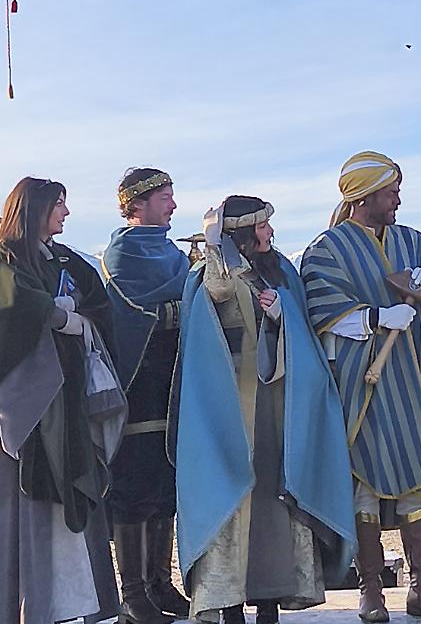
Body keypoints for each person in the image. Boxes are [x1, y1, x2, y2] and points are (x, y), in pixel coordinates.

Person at [174, 196, 356, 624]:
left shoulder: (283, 270)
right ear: (241, 232)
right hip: (229, 405)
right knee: (235, 495)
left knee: (276, 494)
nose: (270, 232)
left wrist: (281, 313)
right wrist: (217, 252)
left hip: (278, 401)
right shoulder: (209, 273)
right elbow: (216, 298)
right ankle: (230, 602)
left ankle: (272, 596)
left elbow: (303, 329)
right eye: (261, 226)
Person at [301, 152, 421, 622]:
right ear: (364, 196)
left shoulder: (413, 241)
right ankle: (370, 589)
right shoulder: (326, 250)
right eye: (391, 192)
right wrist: (375, 316)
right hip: (362, 384)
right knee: (363, 482)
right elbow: (320, 310)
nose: (398, 200)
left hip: (414, 379)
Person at [0, 177, 125, 624]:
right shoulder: (3, 258)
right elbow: (8, 309)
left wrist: (80, 319)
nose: (66, 213)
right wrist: (53, 314)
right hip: (22, 409)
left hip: (70, 404)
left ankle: (72, 606)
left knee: (72, 493)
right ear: (33, 207)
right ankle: (26, 608)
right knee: (23, 508)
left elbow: (99, 306)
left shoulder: (69, 260)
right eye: (58, 204)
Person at [102, 168, 190, 623]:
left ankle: (160, 584)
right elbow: (132, 311)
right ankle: (132, 595)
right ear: (137, 203)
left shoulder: (175, 253)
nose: (173, 205)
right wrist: (176, 308)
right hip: (136, 382)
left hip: (174, 381)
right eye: (165, 197)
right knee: (134, 487)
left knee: (165, 484)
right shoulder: (122, 253)